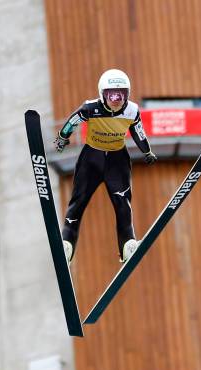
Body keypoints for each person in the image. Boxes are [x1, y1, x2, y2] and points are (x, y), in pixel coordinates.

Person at [54, 69, 157, 264]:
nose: (117, 99)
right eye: (112, 94)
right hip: (91, 158)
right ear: (102, 94)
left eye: (122, 94)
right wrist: (62, 138)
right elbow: (72, 122)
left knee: (123, 204)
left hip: (117, 161)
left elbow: (139, 132)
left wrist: (147, 151)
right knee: (78, 202)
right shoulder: (90, 107)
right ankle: (66, 243)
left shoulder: (132, 110)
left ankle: (127, 244)